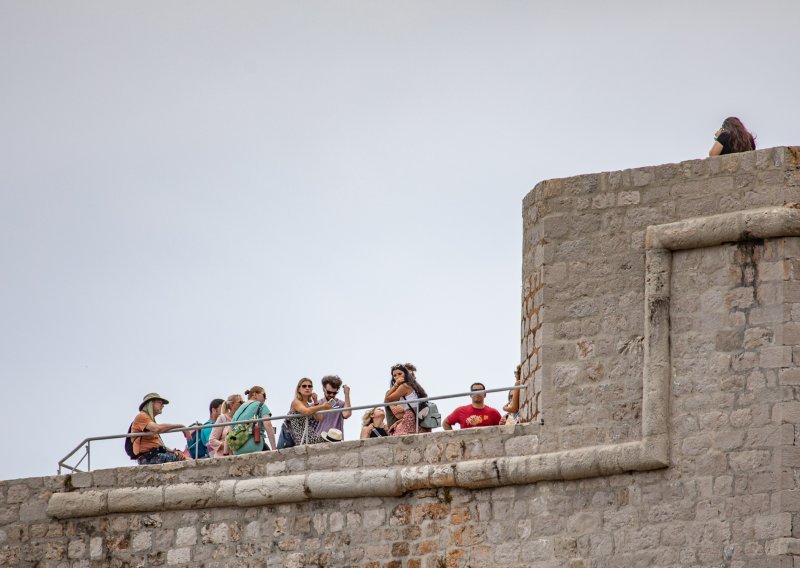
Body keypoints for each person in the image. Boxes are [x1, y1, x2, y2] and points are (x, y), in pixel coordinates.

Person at [131, 392, 191, 465]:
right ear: (150, 403)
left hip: (154, 456)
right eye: (160, 402)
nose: (162, 406)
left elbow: (160, 446)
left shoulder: (150, 420)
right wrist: (181, 426)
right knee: (189, 461)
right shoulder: (141, 416)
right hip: (149, 458)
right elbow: (157, 429)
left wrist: (174, 452)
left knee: (187, 459)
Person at [385, 363, 431, 436]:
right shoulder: (416, 386)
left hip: (410, 418)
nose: (397, 377)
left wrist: (395, 385)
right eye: (395, 375)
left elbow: (387, 399)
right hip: (419, 419)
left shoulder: (404, 386)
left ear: (405, 374)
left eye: (400, 374)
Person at [229, 386, 276, 455]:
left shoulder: (238, 411)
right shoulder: (261, 405)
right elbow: (268, 425)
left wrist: (226, 453)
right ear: (254, 394)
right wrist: (274, 449)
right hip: (255, 446)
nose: (265, 398)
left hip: (237, 450)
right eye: (264, 395)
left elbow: (229, 432)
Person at [285, 378, 332, 445]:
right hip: (301, 437)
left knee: (331, 438)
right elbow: (306, 411)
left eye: (310, 386)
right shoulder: (296, 402)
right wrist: (323, 406)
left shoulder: (308, 405)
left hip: (309, 435)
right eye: (304, 386)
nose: (307, 388)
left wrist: (316, 401)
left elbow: (319, 418)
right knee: (328, 440)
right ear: (299, 389)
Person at [314, 375, 352, 440]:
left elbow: (347, 414)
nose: (331, 395)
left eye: (334, 393)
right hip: (319, 439)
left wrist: (347, 394)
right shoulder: (316, 404)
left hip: (336, 440)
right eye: (329, 392)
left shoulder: (341, 404)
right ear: (323, 389)